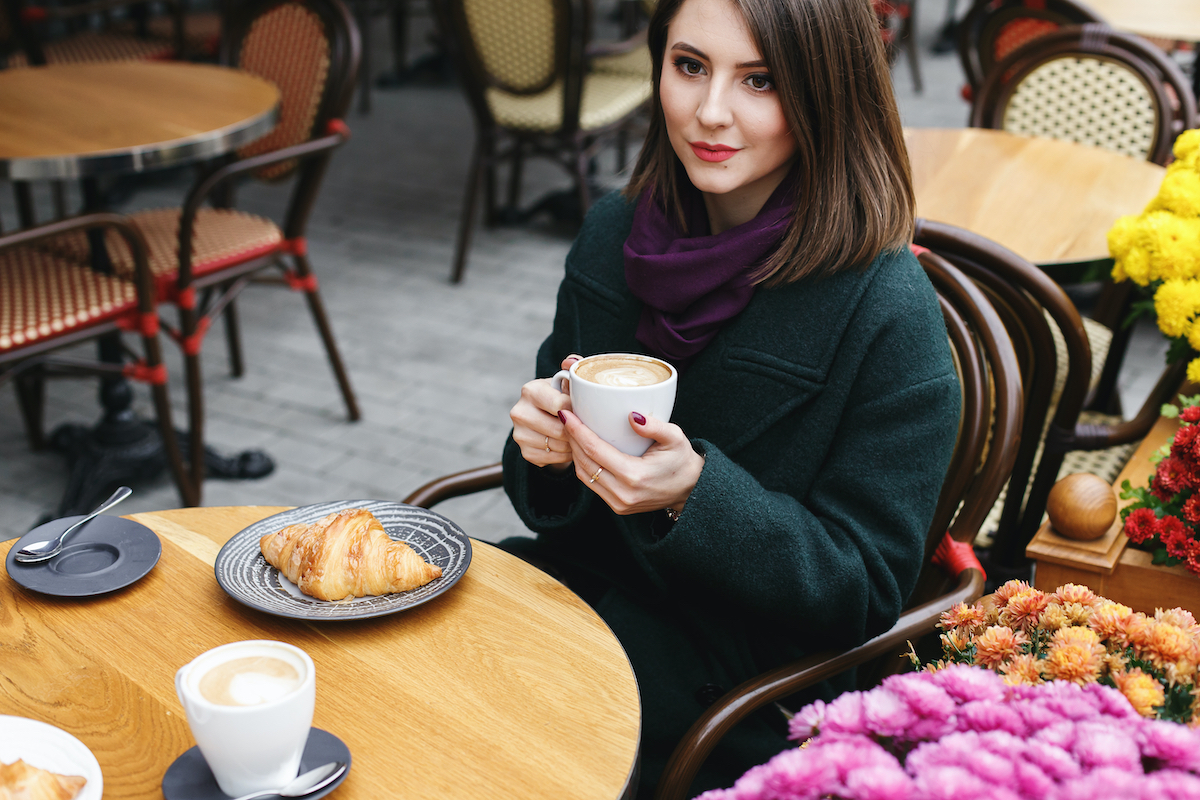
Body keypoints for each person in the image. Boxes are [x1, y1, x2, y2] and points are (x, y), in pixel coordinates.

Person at [501, 0, 961, 794]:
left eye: (762, 80)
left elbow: (865, 588)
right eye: (689, 66)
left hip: (736, 684)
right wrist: (541, 448)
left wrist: (696, 498)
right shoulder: (616, 233)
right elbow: (535, 482)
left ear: (828, 90)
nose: (710, 112)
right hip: (573, 606)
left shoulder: (887, 310)